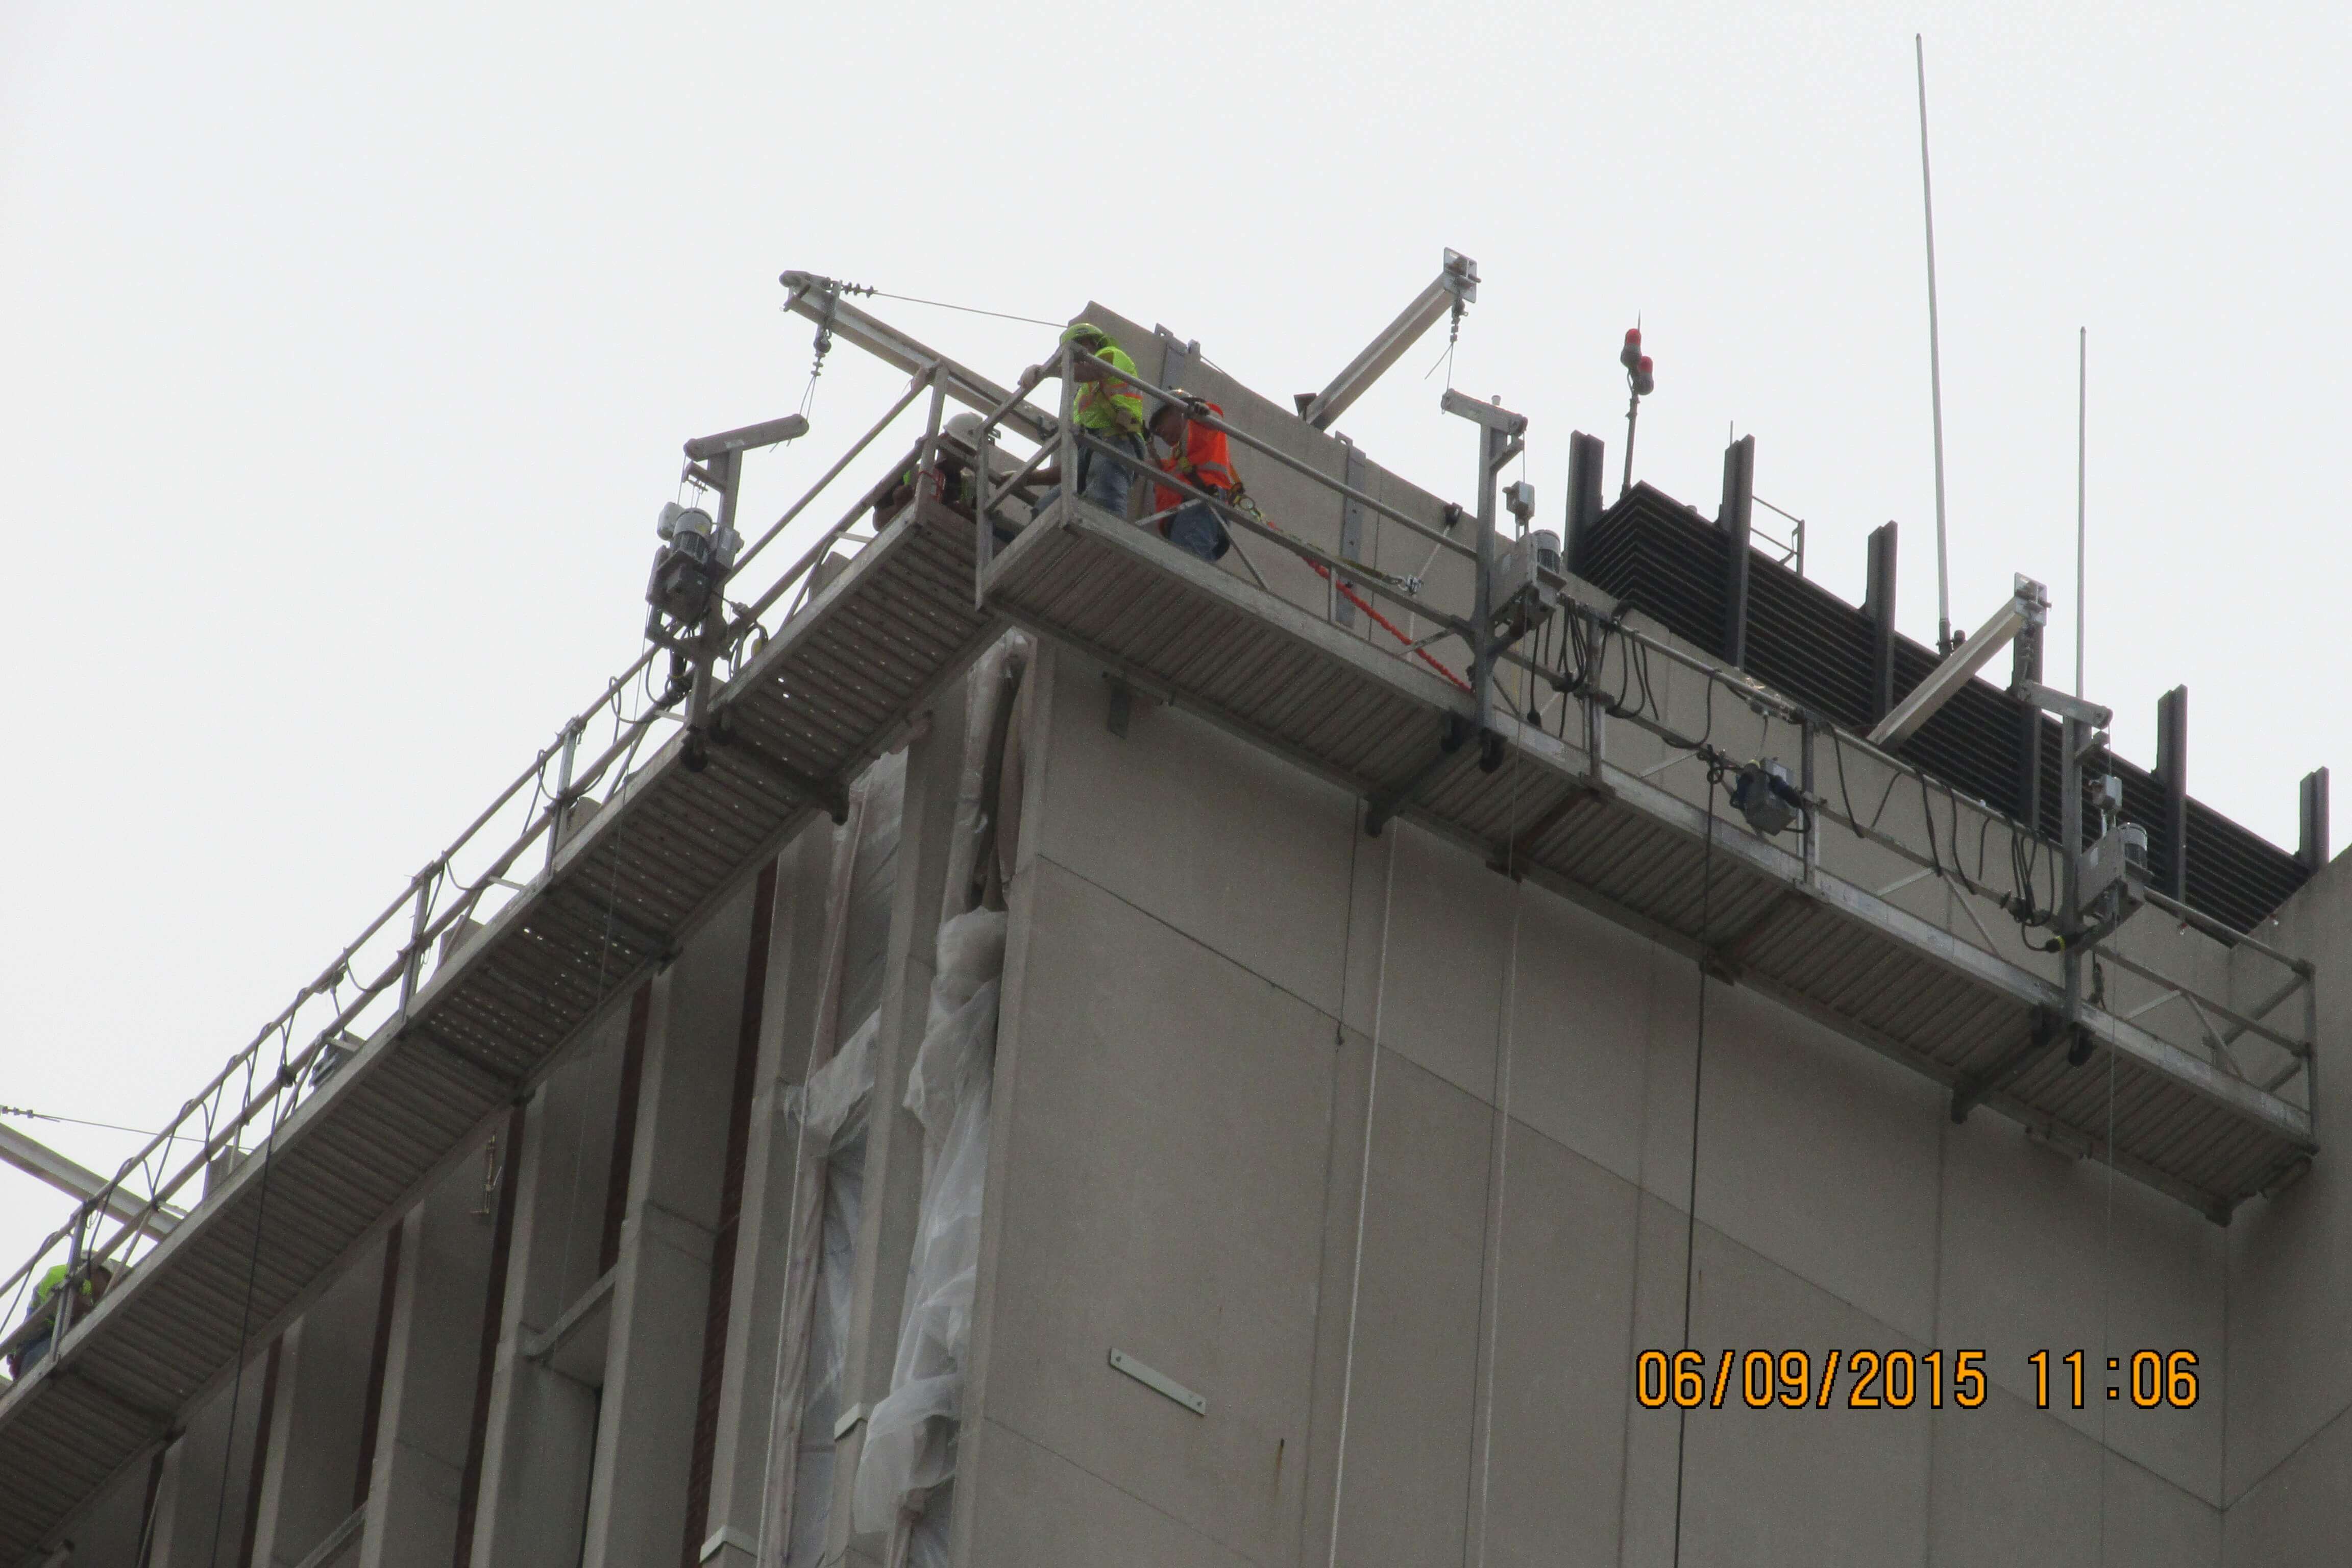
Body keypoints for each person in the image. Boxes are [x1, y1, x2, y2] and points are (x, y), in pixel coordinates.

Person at [1017, 323, 1147, 519]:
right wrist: (1026, 478)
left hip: (1118, 441)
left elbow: (1096, 371)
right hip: (1094, 447)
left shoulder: (1112, 355)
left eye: (1077, 348)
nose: (1073, 357)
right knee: (1047, 508)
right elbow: (1074, 465)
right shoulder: (1083, 394)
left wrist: (1046, 371)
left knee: (1104, 501)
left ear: (1091, 343)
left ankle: (1107, 541)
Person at [1144, 392, 1236, 562]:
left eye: (1160, 422)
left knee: (1186, 564)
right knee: (1193, 567)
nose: (1158, 431)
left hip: (1199, 507)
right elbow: (1166, 470)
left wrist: (1202, 412)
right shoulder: (1180, 455)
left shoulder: (1199, 426)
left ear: (1178, 410)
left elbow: (1214, 417)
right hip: (1192, 514)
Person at [7, 1262, 113, 1378]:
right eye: (108, 1281)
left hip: (37, 1342)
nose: (107, 1288)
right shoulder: (73, 1277)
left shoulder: (74, 1279)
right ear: (97, 1272)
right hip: (36, 1345)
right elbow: (71, 1306)